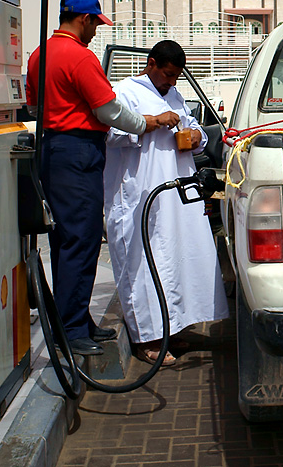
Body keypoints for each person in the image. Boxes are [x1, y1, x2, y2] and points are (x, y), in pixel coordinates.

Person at [26, 0, 180, 356]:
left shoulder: (38, 55)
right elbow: (108, 109)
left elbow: (33, 103)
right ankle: (73, 328)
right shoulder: (79, 56)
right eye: (95, 23)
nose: (96, 31)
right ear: (83, 19)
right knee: (82, 238)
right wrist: (148, 122)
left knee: (67, 238)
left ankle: (75, 319)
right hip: (77, 150)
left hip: (51, 149)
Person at [103, 40, 229, 365]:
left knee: (176, 257)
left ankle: (173, 329)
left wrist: (197, 136)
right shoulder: (124, 92)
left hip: (175, 189)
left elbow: (190, 125)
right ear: (152, 63)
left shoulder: (173, 94)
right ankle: (147, 338)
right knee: (143, 262)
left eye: (176, 78)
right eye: (168, 75)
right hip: (140, 192)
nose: (171, 83)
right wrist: (153, 121)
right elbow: (108, 134)